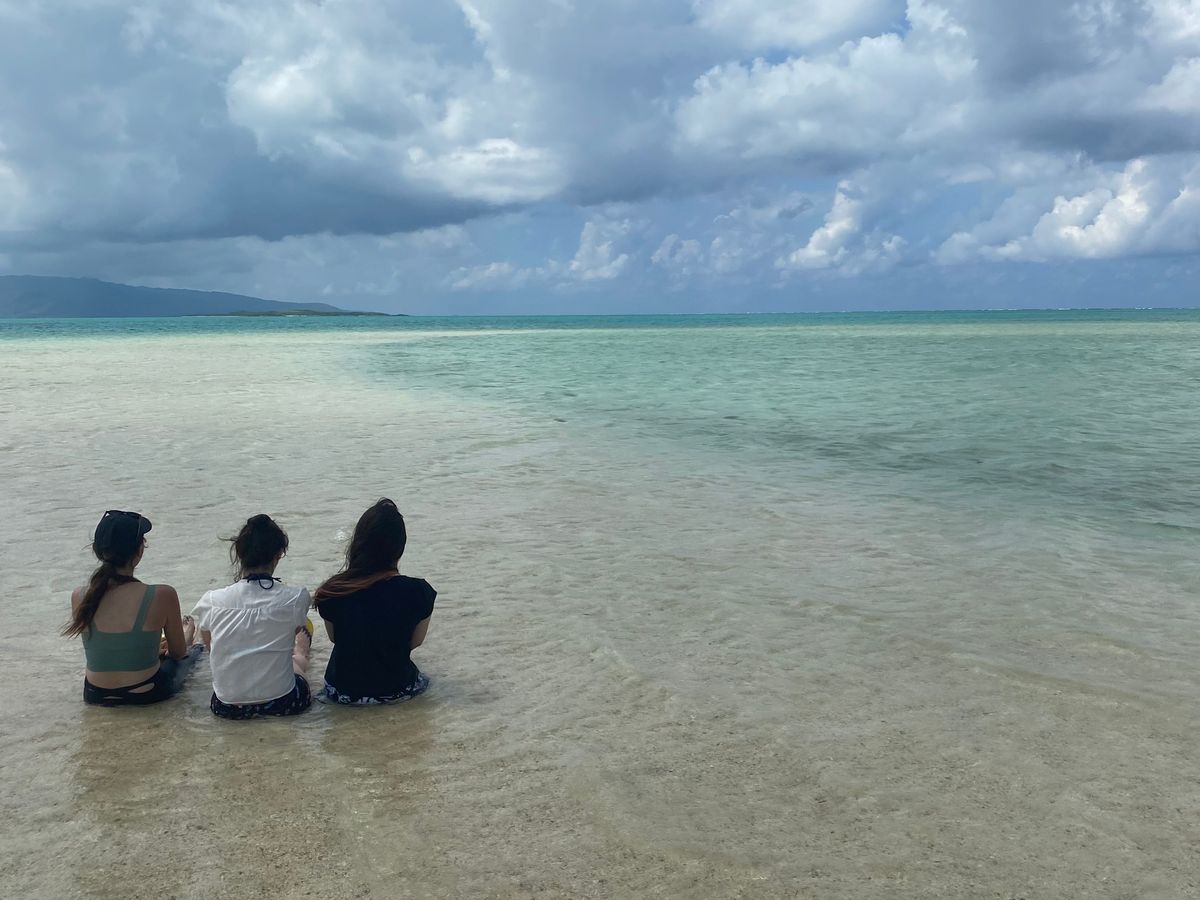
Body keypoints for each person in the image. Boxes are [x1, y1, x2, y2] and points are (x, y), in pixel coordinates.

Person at [65, 510, 203, 706]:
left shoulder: (79, 596)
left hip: (95, 694)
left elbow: (109, 653)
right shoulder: (162, 594)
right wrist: (188, 636)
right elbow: (178, 653)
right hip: (146, 692)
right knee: (195, 652)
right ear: (139, 551)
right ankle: (194, 637)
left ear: (96, 550)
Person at [314, 498, 435, 705]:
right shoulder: (419, 592)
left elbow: (335, 638)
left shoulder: (333, 590)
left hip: (342, 691)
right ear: (400, 547)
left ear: (358, 544)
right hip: (396, 690)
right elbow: (415, 642)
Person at [192, 515, 313, 720]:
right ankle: (301, 651)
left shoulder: (212, 601)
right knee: (296, 660)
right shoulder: (296, 598)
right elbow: (289, 633)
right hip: (283, 702)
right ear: (279, 554)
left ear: (239, 553)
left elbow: (212, 647)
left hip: (226, 708)